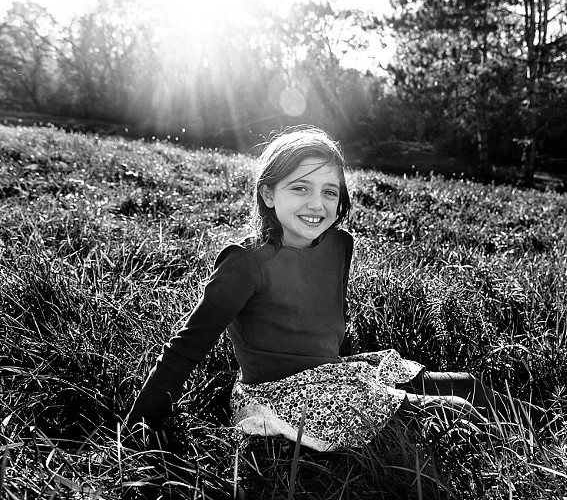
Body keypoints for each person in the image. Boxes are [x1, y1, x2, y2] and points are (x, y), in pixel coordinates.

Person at [125, 126, 509, 452]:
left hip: (333, 377)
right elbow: (187, 345)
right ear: (268, 194)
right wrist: (137, 429)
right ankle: (511, 462)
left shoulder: (339, 245)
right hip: (281, 398)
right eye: (300, 188)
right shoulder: (245, 264)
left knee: (472, 387)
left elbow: (326, 326)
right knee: (455, 412)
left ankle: (557, 431)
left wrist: (360, 379)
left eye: (329, 191)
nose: (317, 204)